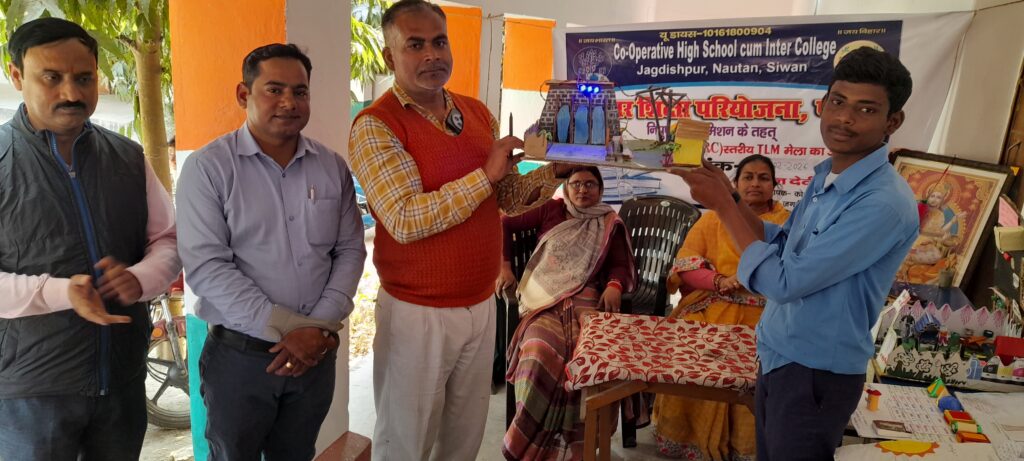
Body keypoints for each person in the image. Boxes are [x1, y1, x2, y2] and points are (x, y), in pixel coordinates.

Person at [348, 1, 570, 458]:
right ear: (390, 57)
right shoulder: (376, 125)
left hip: (481, 303)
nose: (432, 54)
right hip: (417, 313)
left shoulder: (477, 113)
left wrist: (558, 170)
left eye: (439, 42)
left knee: (463, 439)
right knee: (406, 442)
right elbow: (405, 218)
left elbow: (507, 198)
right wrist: (484, 175)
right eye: (415, 45)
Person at [673, 47, 919, 460]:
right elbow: (780, 243)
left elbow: (785, 282)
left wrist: (722, 206)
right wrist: (730, 196)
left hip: (816, 371)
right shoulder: (827, 177)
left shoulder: (882, 203)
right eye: (837, 102)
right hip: (780, 354)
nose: (844, 118)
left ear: (892, 121)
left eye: (865, 109)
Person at [0, 17, 181, 461]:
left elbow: (169, 240)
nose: (71, 93)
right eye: (51, 78)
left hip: (121, 382)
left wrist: (140, 278)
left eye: (83, 78)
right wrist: (61, 292)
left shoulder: (127, 156)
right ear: (16, 75)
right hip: (29, 392)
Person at [176, 43, 366, 460]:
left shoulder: (331, 167)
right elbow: (207, 266)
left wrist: (315, 329)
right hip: (241, 361)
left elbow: (351, 250)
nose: (289, 102)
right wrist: (287, 331)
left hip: (314, 357)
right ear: (243, 94)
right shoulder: (209, 169)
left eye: (300, 92)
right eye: (274, 90)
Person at [652, 155, 790, 461]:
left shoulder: (786, 224)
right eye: (748, 177)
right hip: (713, 303)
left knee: (760, 363)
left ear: (774, 185)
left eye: (763, 178)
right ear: (735, 184)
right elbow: (685, 267)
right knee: (690, 349)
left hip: (767, 311)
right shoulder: (712, 219)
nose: (755, 183)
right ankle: (686, 436)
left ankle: (746, 446)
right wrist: (720, 281)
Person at [499, 166, 636, 461]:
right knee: (539, 350)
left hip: (588, 300)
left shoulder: (609, 222)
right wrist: (504, 266)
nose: (582, 190)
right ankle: (528, 439)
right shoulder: (552, 209)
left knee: (589, 356)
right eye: (576, 184)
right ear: (566, 187)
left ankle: (578, 444)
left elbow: (619, 265)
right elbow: (504, 222)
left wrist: (614, 285)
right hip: (543, 300)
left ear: (601, 190)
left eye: (590, 184)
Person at [900, 180, 965, 284]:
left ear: (942, 200)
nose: (934, 200)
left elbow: (938, 232)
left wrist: (953, 221)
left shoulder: (939, 215)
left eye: (938, 197)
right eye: (932, 196)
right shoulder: (919, 209)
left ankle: (907, 262)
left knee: (937, 256)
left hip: (925, 245)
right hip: (913, 240)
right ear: (927, 196)